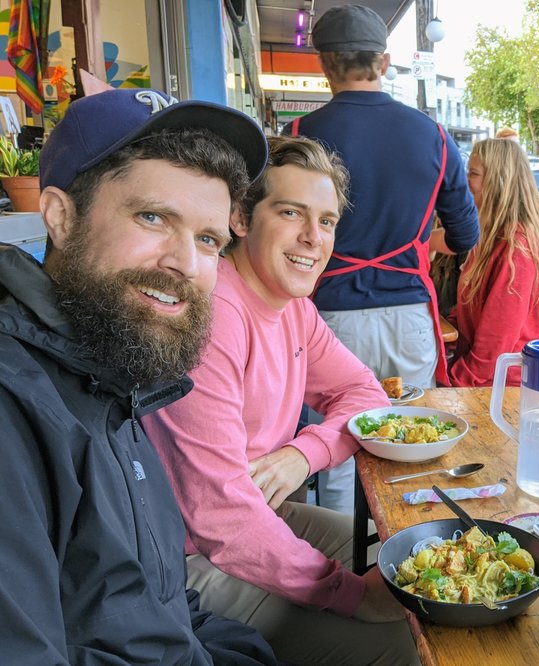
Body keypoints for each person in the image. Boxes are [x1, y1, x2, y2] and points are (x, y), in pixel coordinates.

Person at [0, 88, 278, 663]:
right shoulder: (18, 406)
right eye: (152, 217)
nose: (185, 263)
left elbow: (164, 604)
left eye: (208, 240)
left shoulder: (109, 370)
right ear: (60, 215)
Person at [143, 136, 417, 665]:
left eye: (328, 221)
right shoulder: (215, 314)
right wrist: (353, 597)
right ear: (242, 218)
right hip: (186, 557)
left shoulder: (291, 307)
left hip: (255, 520)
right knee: (398, 643)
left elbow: (364, 395)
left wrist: (304, 454)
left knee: (402, 557)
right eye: (292, 213)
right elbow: (221, 518)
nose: (313, 238)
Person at [286, 4, 479, 388]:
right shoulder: (434, 137)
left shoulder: (296, 135)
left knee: (335, 441)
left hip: (329, 315)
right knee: (412, 436)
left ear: (324, 64)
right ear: (385, 62)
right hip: (410, 316)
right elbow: (466, 236)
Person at [447, 138, 539, 386]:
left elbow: (495, 344)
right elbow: (470, 309)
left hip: (504, 386)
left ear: (498, 180)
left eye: (473, 173)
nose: (466, 180)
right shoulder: (490, 234)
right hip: (488, 379)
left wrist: (452, 382)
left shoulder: (516, 245)